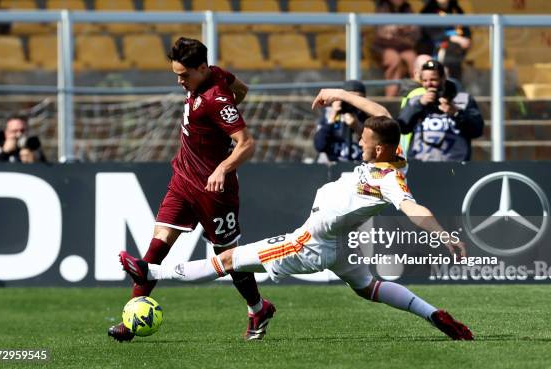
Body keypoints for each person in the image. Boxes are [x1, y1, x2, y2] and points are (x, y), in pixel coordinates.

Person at [119, 110, 474, 341]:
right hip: (338, 243)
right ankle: (436, 316)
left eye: (364, 143)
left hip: (310, 242)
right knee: (368, 287)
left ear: (380, 150)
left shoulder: (391, 179)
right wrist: (340, 96)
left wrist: (444, 237)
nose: (359, 144)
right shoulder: (396, 153)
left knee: (228, 260)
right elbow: (380, 115)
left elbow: (413, 207)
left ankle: (152, 274)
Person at [108, 37, 267, 342]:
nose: (180, 81)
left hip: (213, 189)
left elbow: (246, 144)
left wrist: (222, 167)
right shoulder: (217, 75)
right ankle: (130, 320)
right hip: (183, 178)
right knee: (158, 244)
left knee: (229, 257)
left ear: (202, 68)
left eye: (184, 75)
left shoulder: (215, 99)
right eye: (176, 74)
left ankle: (258, 308)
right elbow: (243, 90)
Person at [397, 60, 483, 161]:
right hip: (420, 165)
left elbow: (477, 130)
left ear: (443, 78)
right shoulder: (415, 100)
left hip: (455, 166)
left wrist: (456, 113)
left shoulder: (463, 100)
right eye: (425, 81)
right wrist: (419, 105)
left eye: (433, 79)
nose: (429, 84)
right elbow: (402, 127)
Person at [371, 0, 420, 96]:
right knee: (394, 60)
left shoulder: (408, 9)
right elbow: (382, 33)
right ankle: (390, 98)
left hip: (403, 47)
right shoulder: (382, 9)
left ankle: (417, 94)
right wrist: (401, 29)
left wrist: (398, 30)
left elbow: (415, 31)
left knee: (414, 60)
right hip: (383, 47)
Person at [313, 80, 369, 163]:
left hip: (357, 166)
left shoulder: (367, 116)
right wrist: (333, 115)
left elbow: (374, 145)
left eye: (357, 100)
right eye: (349, 99)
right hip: (331, 165)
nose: (352, 104)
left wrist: (357, 127)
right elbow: (320, 146)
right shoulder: (329, 113)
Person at [419, 0, 471, 81]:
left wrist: (466, 39)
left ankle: (454, 86)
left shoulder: (456, 9)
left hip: (457, 50)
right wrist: (453, 38)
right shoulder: (428, 11)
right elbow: (431, 33)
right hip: (435, 48)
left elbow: (466, 29)